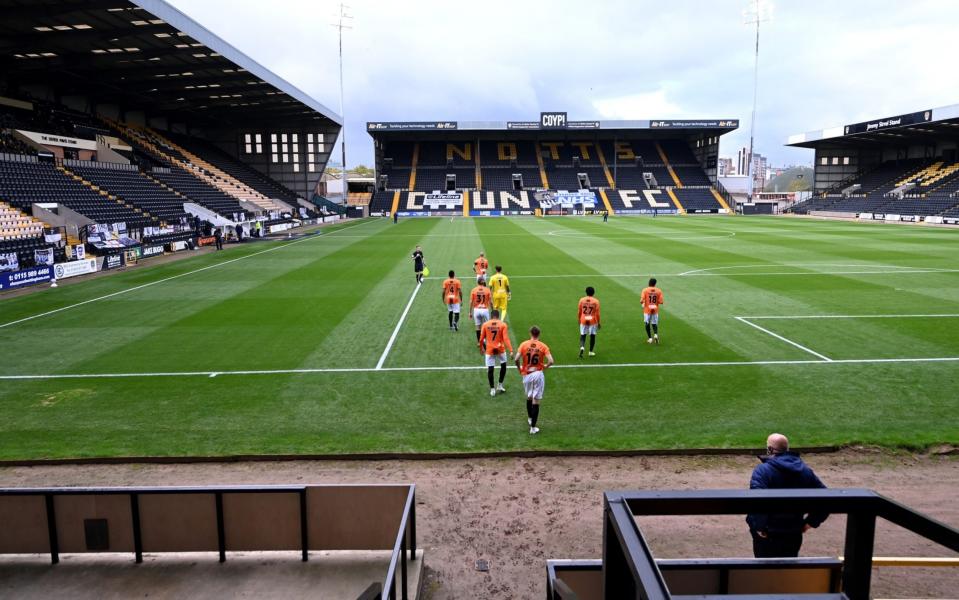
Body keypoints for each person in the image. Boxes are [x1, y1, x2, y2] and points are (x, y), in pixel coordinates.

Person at [746, 433, 829, 558]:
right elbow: (827, 498)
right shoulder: (805, 471)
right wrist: (811, 522)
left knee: (763, 571)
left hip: (769, 533)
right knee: (788, 568)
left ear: (769, 450)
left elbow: (758, 501)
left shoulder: (762, 471)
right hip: (793, 531)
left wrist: (759, 526)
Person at [515, 326, 554, 434]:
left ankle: (529, 418)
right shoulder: (543, 346)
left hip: (526, 374)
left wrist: (519, 369)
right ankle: (532, 428)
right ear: (539, 334)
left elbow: (516, 359)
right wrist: (545, 367)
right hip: (537, 373)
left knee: (529, 397)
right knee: (536, 400)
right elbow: (551, 361)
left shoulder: (523, 344)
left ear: (530, 333)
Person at [478, 309, 512, 397]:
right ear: (498, 316)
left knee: (490, 369)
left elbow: (481, 338)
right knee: (503, 366)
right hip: (500, 349)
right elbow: (506, 339)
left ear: (491, 316)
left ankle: (492, 389)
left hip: (489, 350)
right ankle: (500, 385)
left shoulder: (485, 324)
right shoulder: (503, 324)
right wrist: (511, 350)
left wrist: (481, 348)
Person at [578, 286, 601, 358]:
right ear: (593, 293)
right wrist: (598, 322)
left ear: (586, 292)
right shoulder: (596, 301)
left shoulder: (582, 300)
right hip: (592, 320)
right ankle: (590, 351)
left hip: (583, 319)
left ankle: (582, 347)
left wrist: (579, 319)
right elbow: (597, 313)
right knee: (592, 335)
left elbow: (579, 311)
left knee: (583, 335)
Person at [640, 277, 664, 344]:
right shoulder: (659, 291)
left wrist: (643, 303)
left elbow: (641, 300)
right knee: (654, 323)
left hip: (647, 310)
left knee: (647, 323)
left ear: (649, 283)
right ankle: (655, 334)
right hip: (655, 309)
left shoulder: (645, 290)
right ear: (655, 284)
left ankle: (650, 338)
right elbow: (661, 302)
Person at [469, 276, 491, 343]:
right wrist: (493, 310)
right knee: (487, 326)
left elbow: (471, 302)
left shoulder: (474, 290)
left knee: (478, 327)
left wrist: (470, 312)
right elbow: (491, 302)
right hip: (485, 310)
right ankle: (487, 341)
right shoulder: (487, 290)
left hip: (476, 310)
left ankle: (479, 342)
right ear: (483, 282)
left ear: (477, 282)